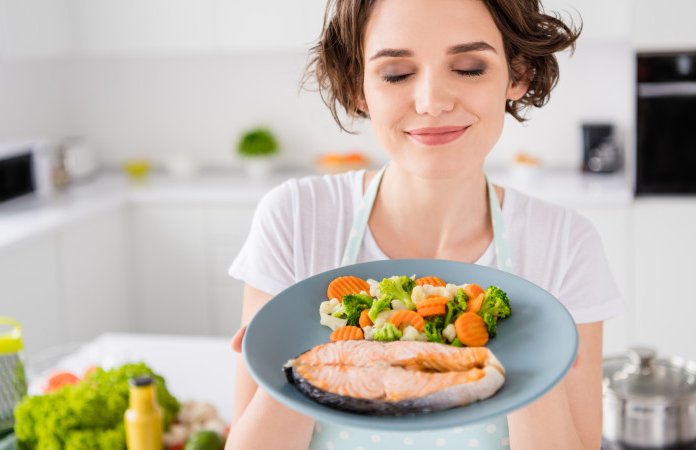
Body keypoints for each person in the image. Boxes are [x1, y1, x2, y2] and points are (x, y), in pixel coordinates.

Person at [225, 0, 625, 448]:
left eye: (470, 67)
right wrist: (293, 363)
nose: (432, 102)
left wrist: (535, 364)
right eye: (396, 73)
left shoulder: (565, 244)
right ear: (359, 87)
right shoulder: (296, 218)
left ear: (518, 74)